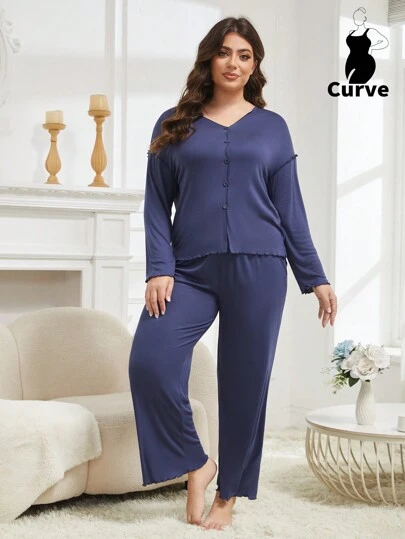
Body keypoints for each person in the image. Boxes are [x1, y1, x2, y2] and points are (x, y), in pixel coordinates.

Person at [128, 16, 338, 532]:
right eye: (225, 52)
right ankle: (197, 462)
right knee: (150, 362)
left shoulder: (272, 127)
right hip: (189, 270)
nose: (234, 63)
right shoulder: (173, 122)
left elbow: (290, 209)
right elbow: (156, 205)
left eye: (245, 55)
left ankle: (229, 494)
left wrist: (315, 277)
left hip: (260, 267)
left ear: (255, 65)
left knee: (246, 385)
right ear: (209, 57)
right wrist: (159, 268)